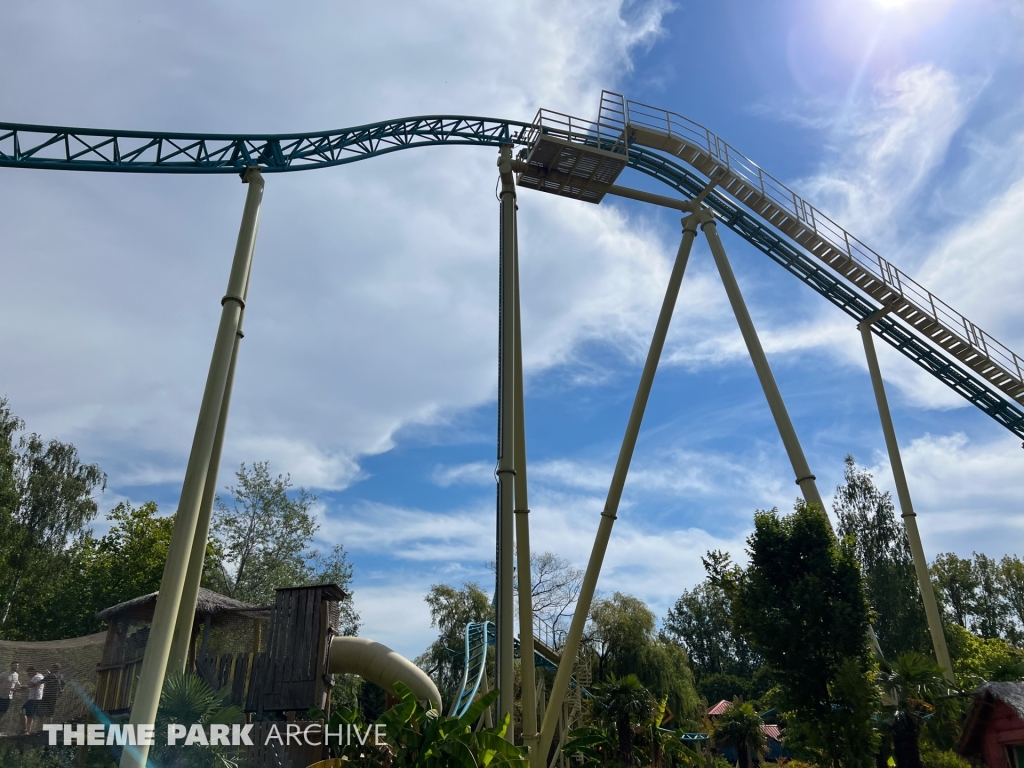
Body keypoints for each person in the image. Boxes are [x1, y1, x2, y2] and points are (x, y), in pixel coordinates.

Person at [21, 665, 45, 735]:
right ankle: (27, 731)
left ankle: (26, 730)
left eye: (29, 673)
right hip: (36, 699)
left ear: (34, 672)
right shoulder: (40, 676)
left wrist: (22, 687)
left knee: (24, 712)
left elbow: (31, 685)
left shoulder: (36, 677)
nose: (28, 675)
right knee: (29, 715)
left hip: (34, 699)